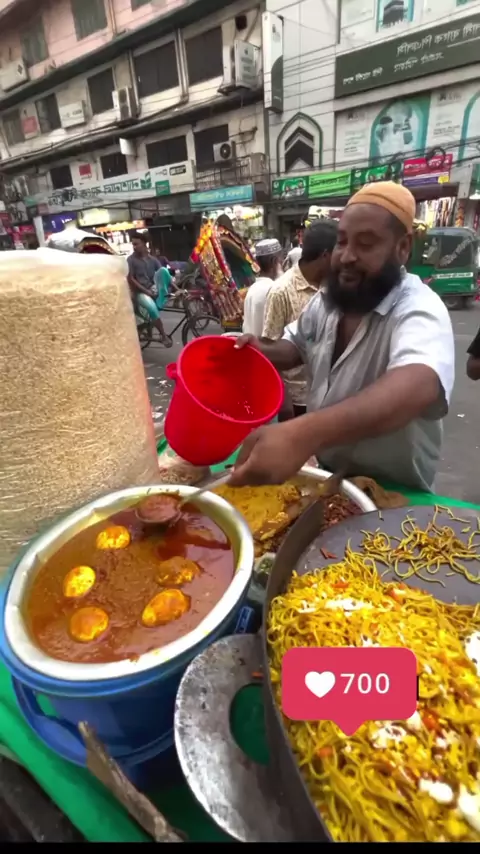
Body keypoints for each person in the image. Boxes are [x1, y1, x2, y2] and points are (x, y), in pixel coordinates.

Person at [229, 181, 455, 492]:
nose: (347, 256)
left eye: (365, 244)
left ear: (402, 248)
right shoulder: (328, 301)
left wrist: (303, 434)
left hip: (393, 494)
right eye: (342, 242)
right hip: (330, 479)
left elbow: (418, 384)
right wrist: (258, 349)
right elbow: (295, 346)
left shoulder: (419, 307)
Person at [262, 220, 337, 420]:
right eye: (340, 251)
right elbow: (270, 347)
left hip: (328, 396)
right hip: (297, 401)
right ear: (326, 256)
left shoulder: (335, 287)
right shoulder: (281, 291)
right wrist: (283, 398)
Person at [127, 233, 172, 347]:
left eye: (136, 244)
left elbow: (163, 273)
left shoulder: (152, 259)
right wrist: (146, 291)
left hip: (153, 289)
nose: (134, 247)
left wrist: (178, 289)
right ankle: (163, 335)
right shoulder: (131, 260)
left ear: (144, 244)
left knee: (164, 271)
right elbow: (131, 279)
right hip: (140, 293)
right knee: (152, 309)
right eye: (133, 244)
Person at [242, 239, 283, 337]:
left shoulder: (252, 289)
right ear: (274, 261)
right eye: (280, 261)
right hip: (266, 346)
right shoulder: (273, 289)